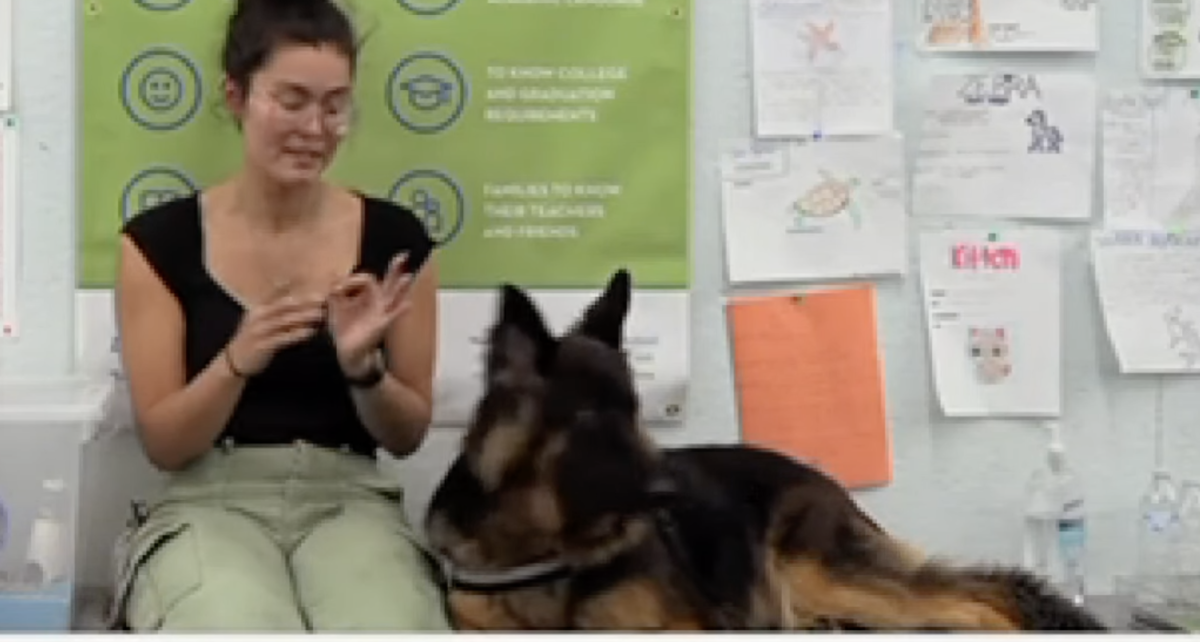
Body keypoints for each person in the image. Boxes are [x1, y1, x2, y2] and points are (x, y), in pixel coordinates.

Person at [109, 0, 450, 631]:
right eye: (291, 101)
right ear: (236, 96)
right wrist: (238, 358)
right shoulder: (161, 243)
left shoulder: (396, 241)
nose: (315, 128)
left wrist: (363, 369)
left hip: (348, 502)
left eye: (334, 105)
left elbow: (406, 436)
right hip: (210, 501)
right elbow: (165, 444)